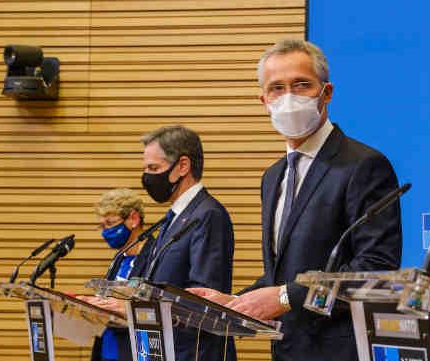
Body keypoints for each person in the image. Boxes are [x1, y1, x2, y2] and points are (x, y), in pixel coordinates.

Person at [189, 39, 403, 361]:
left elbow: (374, 271)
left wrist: (286, 297)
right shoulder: (272, 176)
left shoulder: (363, 165)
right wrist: (234, 302)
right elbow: (283, 274)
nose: (288, 97)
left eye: (301, 84)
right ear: (264, 100)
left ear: (326, 92)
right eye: (277, 88)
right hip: (287, 349)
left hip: (341, 351)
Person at [131, 125, 237, 361]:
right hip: (163, 348)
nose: (147, 177)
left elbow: (202, 295)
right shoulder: (174, 218)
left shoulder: (208, 215)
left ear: (182, 166)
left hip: (194, 351)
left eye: (153, 168)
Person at [84, 188, 150, 361]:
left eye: (110, 223)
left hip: (135, 350)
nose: (105, 232)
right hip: (107, 349)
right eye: (102, 226)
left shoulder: (155, 256)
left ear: (133, 219)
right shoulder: (119, 259)